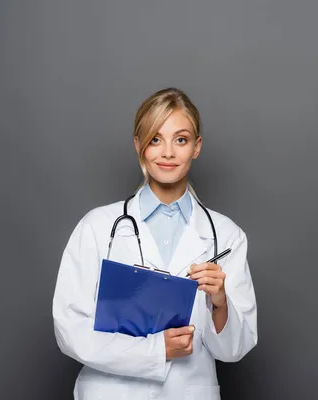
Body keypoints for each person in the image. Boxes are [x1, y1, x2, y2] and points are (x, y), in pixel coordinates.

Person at [52, 87, 258, 400]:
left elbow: (234, 350)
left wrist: (220, 302)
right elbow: (69, 331)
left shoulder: (226, 235)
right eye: (155, 139)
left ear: (196, 147)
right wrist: (154, 349)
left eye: (181, 139)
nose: (168, 153)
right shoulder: (97, 227)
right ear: (139, 145)